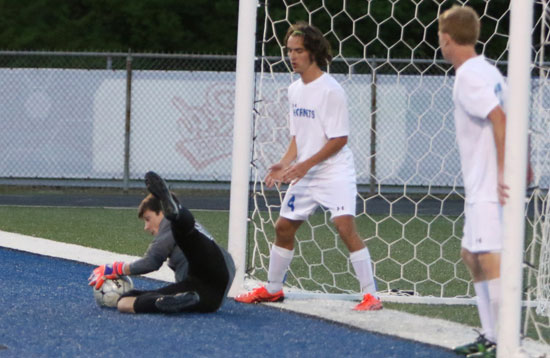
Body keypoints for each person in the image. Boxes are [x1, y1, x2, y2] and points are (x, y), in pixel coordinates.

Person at [234, 22, 381, 311]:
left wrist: (304, 166)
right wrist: (285, 163)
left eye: (298, 50)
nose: (292, 56)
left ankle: (371, 295)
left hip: (334, 170)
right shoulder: (294, 91)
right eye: (289, 51)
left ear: (313, 52)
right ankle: (274, 289)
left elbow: (339, 139)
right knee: (283, 227)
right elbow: (297, 138)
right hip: (306, 172)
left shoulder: (331, 90)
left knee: (344, 227)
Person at [439, 6, 531, 358]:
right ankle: (493, 336)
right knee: (472, 254)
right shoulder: (488, 69)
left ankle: (506, 342)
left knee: (489, 258)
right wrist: (524, 162)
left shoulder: (468, 76)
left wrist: (507, 172)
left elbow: (499, 117)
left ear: (447, 39)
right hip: (484, 185)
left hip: (490, 186)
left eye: (440, 39)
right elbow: (513, 115)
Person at [88, 171, 235, 314]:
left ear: (162, 212)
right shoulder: (188, 230)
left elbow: (151, 262)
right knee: (124, 301)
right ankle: (162, 302)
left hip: (210, 277)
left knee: (182, 231)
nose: (146, 227)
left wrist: (113, 268)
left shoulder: (168, 227)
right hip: (209, 289)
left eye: (148, 219)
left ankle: (177, 213)